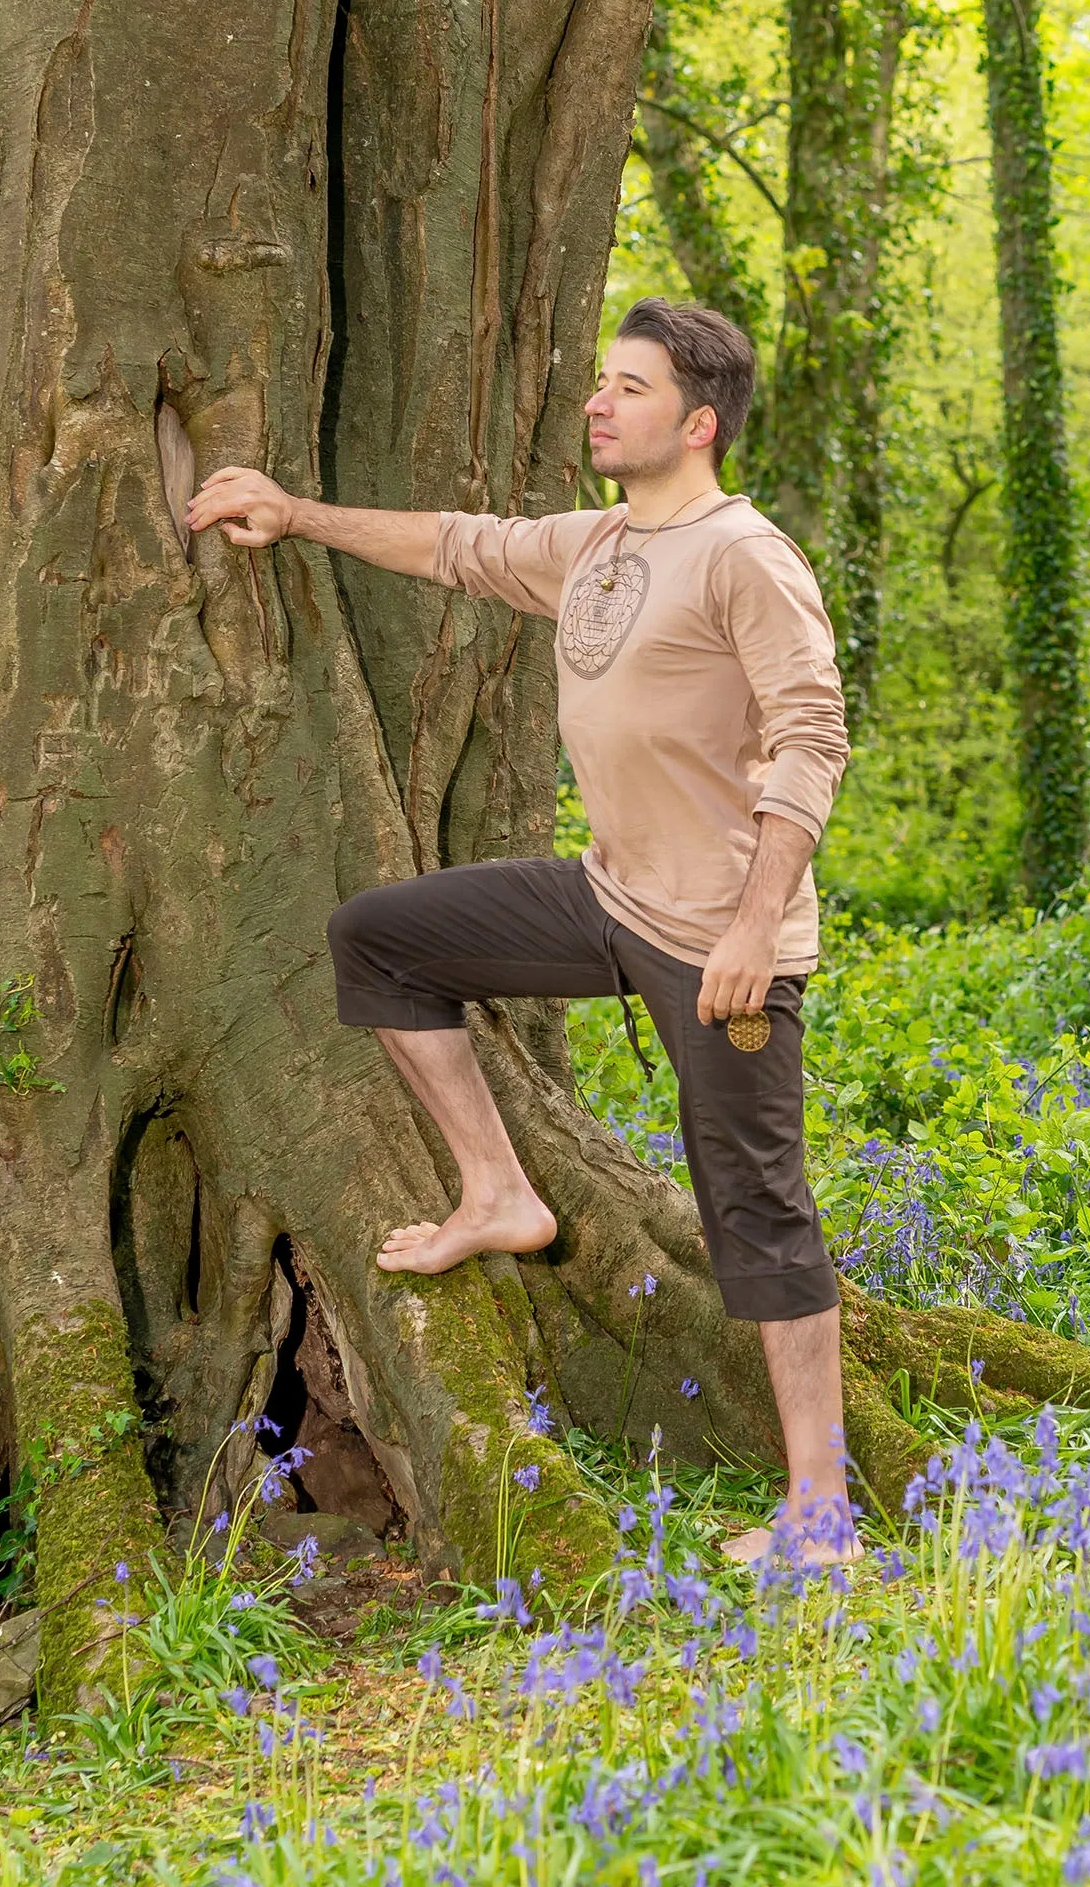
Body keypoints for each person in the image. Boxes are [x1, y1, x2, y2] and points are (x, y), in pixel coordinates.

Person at [184, 297, 854, 1563]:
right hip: (607, 897)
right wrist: (293, 511)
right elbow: (458, 543)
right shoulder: (598, 543)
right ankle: (497, 1190)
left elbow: (809, 738)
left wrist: (757, 926)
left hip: (720, 937)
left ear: (699, 422)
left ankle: (819, 1513)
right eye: (602, 381)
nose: (599, 400)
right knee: (378, 938)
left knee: (755, 1210)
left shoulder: (743, 555)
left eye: (632, 387)